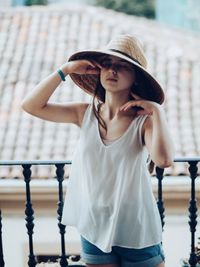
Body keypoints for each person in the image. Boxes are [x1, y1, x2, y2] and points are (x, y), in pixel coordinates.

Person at [21, 34, 174, 267]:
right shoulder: (84, 114)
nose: (112, 70)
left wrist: (157, 111)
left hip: (137, 227)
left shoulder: (144, 121)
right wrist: (67, 69)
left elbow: (164, 160)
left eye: (122, 66)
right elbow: (31, 106)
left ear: (135, 78)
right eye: (108, 64)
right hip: (94, 225)